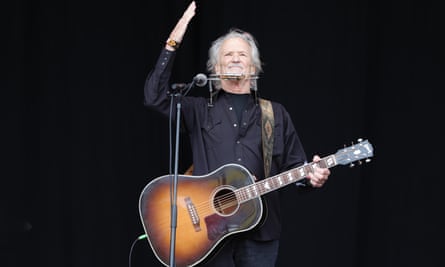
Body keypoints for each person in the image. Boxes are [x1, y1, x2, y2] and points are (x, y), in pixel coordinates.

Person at [143, 1, 330, 266]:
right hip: (208, 233)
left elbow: (295, 167)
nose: (234, 59)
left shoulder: (275, 114)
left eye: (242, 55)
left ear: (253, 69)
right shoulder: (198, 109)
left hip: (260, 234)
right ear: (216, 69)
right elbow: (154, 97)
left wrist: (312, 176)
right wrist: (173, 41)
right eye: (227, 55)